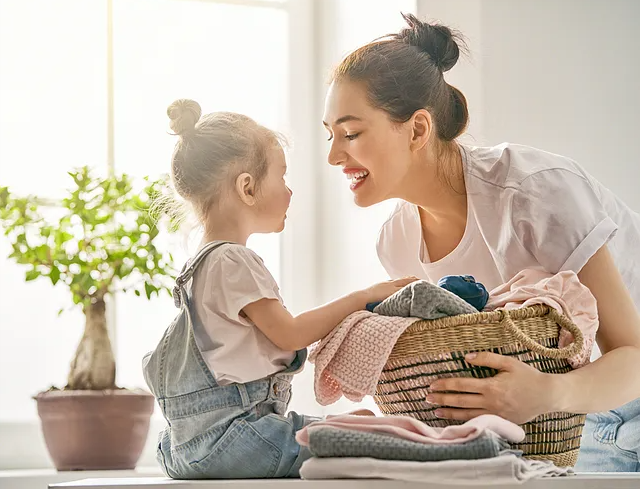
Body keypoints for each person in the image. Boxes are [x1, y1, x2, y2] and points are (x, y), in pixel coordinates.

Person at [322, 13, 640, 472]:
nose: (334, 155)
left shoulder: (536, 192)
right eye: (329, 135)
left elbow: (631, 354)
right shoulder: (396, 242)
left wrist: (549, 393)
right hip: (565, 424)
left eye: (350, 134)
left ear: (416, 129)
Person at [142, 99, 413, 479]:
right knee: (377, 441)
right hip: (236, 439)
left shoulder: (199, 267)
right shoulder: (232, 261)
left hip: (187, 446)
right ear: (248, 188)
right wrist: (363, 297)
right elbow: (291, 334)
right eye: (282, 177)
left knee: (359, 424)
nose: (289, 191)